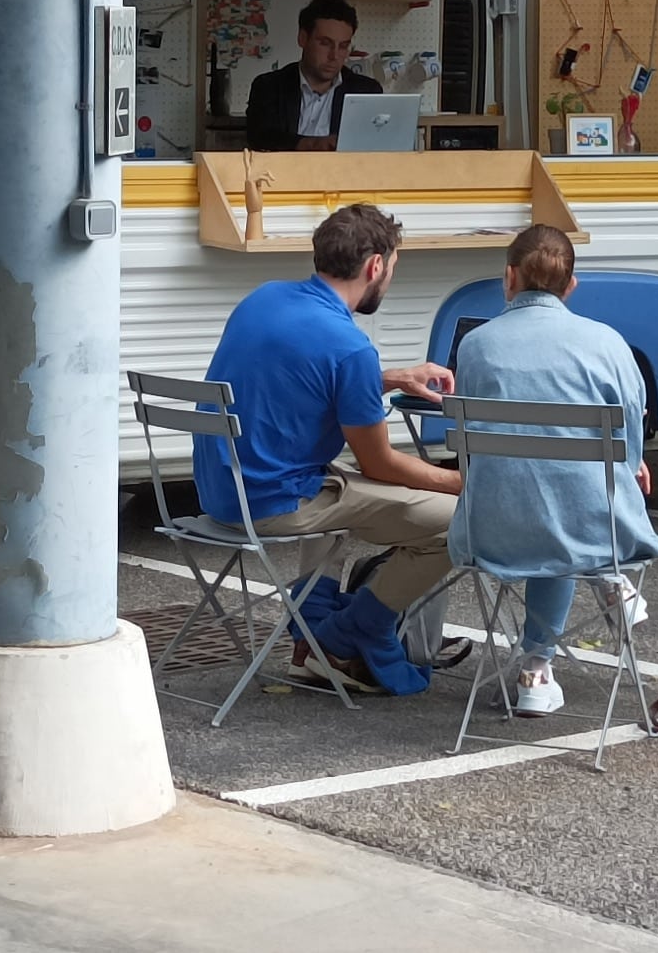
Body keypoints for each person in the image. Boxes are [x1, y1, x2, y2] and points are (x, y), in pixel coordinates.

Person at [191, 203, 460, 695]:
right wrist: (464, 483)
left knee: (333, 476)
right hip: (274, 504)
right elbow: (382, 463)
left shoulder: (264, 298)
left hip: (220, 490)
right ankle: (348, 632)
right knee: (458, 522)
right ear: (375, 266)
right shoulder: (349, 346)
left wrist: (391, 378)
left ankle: (309, 634)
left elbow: (305, 382)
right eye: (393, 268)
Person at [447, 224, 658, 716]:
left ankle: (535, 670)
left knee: (540, 492)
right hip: (592, 529)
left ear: (509, 277)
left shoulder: (476, 346)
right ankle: (602, 585)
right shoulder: (608, 343)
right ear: (571, 286)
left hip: (493, 530)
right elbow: (632, 433)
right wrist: (632, 465)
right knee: (577, 499)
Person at [244, 0, 384, 152]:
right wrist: (312, 144)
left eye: (343, 46)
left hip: (344, 175)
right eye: (325, 43)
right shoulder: (269, 86)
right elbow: (260, 137)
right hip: (283, 175)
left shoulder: (366, 91)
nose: (334, 56)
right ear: (303, 38)